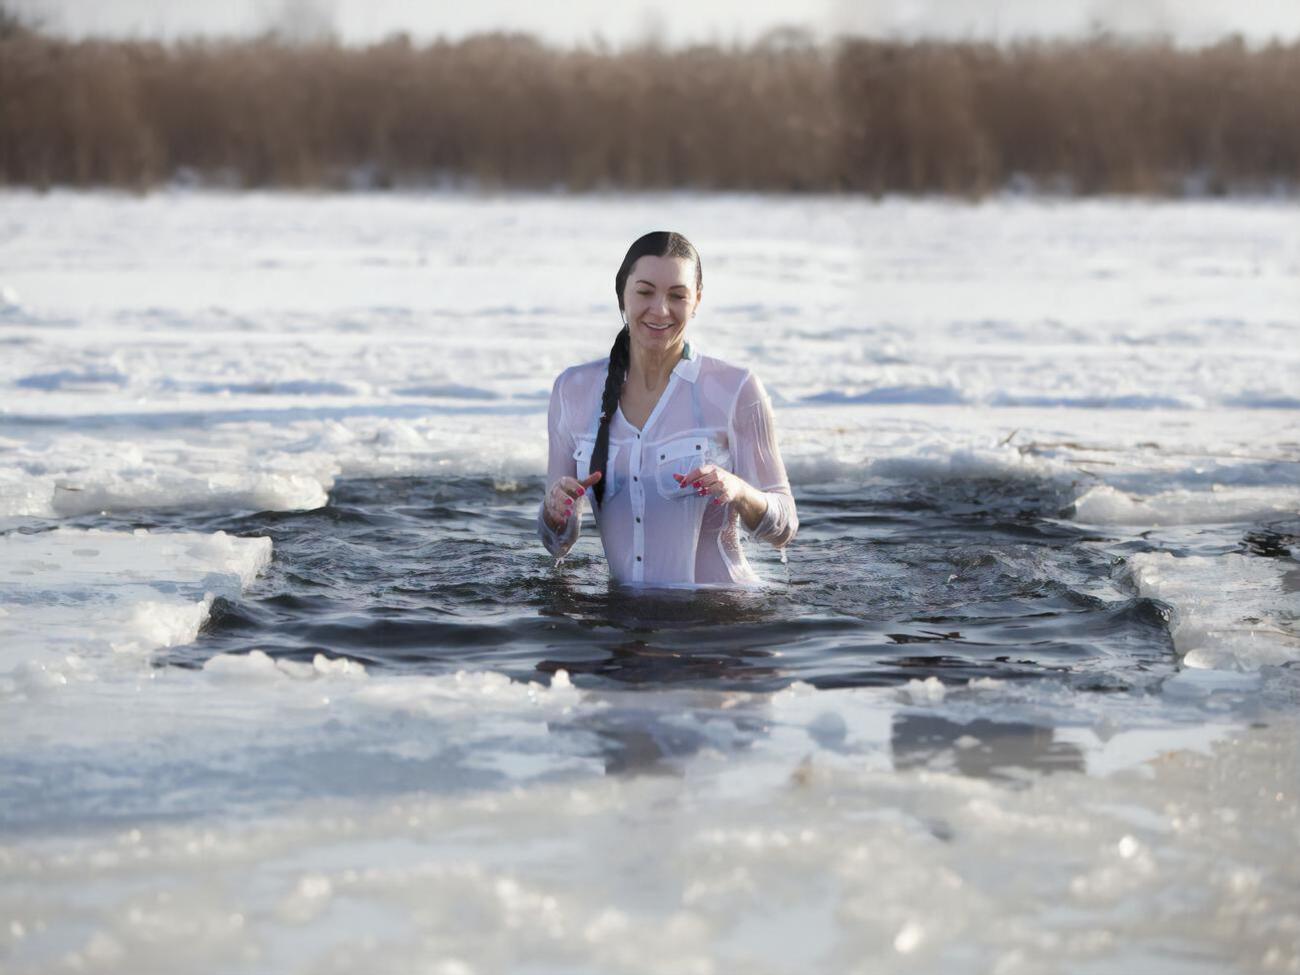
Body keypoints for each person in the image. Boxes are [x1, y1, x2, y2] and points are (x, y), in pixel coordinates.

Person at [538, 231, 797, 586]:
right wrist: (555, 513)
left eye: (677, 296)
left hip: (722, 618)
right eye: (645, 292)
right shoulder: (573, 390)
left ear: (697, 301)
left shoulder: (736, 388)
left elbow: (784, 527)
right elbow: (557, 545)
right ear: (622, 294)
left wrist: (739, 491)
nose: (660, 309)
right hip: (623, 621)